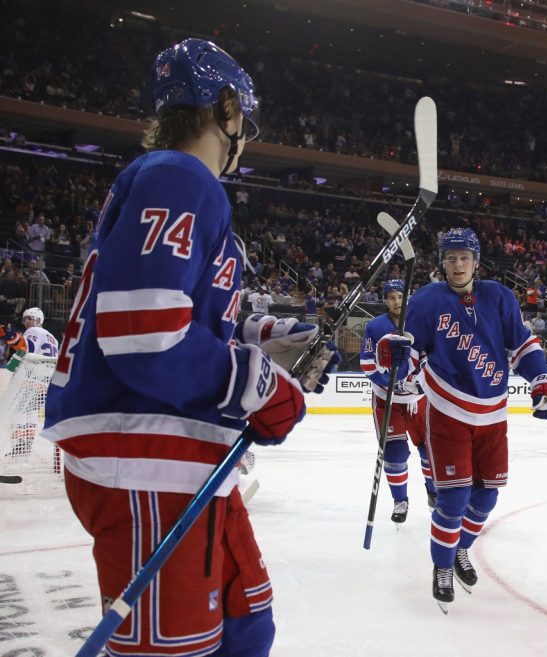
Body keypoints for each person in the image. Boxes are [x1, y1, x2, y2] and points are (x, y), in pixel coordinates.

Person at [40, 38, 338, 657]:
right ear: (224, 107)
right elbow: (146, 335)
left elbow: (178, 319)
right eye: (243, 122)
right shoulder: (178, 177)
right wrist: (257, 382)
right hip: (143, 458)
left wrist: (267, 337)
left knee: (247, 623)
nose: (245, 138)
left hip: (179, 458)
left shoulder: (169, 185)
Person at [379, 228, 547, 611]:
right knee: (454, 496)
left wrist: (541, 376)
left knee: (488, 494)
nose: (457, 264)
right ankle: (442, 567)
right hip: (447, 409)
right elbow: (410, 354)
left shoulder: (498, 296)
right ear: (442, 262)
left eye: (464, 257)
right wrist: (395, 354)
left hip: (493, 410)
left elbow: (522, 344)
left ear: (476, 261)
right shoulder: (426, 301)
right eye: (450, 257)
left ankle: (459, 548)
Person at [360, 279, 436, 524]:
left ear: (407, 298)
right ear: (384, 300)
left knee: (429, 450)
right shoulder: (375, 327)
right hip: (387, 399)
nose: (395, 301)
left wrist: (421, 381)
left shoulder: (421, 324)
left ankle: (433, 491)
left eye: (399, 296)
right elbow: (368, 363)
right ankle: (400, 501)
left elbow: (431, 357)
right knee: (394, 453)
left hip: (419, 399)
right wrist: (390, 382)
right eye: (390, 297)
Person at [0, 307, 59, 458]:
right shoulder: (52, 337)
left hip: (32, 377)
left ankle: (20, 445)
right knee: (31, 411)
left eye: (30, 319)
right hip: (46, 379)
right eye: (25, 319)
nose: (26, 322)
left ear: (38, 320)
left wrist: (12, 336)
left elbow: (26, 349)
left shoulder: (34, 332)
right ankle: (26, 444)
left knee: (18, 410)